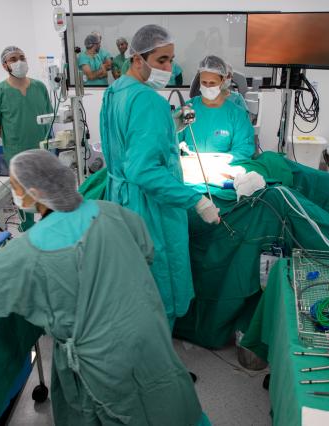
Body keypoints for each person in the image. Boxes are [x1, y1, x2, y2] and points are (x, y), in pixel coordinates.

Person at [0, 149, 207, 426]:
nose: (15, 194)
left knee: (115, 411)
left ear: (37, 192)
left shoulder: (30, 249)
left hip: (103, 358)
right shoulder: (111, 211)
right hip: (149, 332)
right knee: (165, 400)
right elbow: (146, 252)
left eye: (17, 187)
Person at [100, 24, 220, 329]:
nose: (169, 68)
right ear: (137, 59)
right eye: (161, 60)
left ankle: (142, 344)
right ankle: (157, 352)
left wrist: (170, 126)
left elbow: (125, 142)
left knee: (134, 279)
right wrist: (196, 200)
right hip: (149, 207)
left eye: (171, 60)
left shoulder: (115, 91)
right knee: (160, 284)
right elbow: (143, 170)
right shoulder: (148, 100)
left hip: (121, 201)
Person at [0, 45, 52, 231]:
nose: (19, 62)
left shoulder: (39, 87)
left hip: (41, 148)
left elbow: (48, 116)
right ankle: (27, 226)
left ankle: (49, 224)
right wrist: (12, 139)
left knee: (44, 190)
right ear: (5, 65)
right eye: (13, 59)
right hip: (16, 151)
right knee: (23, 194)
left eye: (22, 58)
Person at [176, 55, 255, 162]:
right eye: (204, 82)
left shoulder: (237, 114)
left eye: (212, 83)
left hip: (224, 169)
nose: (207, 87)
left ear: (223, 81)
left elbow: (243, 149)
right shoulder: (187, 109)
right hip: (190, 168)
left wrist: (220, 161)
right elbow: (170, 144)